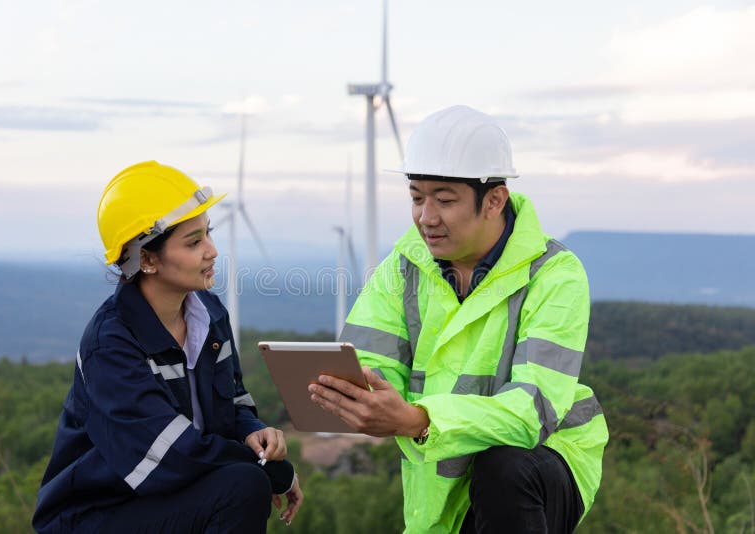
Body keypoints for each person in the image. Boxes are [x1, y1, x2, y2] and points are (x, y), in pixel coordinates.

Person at [309, 105, 608, 533]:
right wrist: (360, 398)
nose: (426, 217)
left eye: (445, 200)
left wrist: (420, 420)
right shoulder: (401, 267)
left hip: (542, 467)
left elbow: (532, 411)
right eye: (416, 198)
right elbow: (370, 367)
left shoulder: (555, 273)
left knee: (503, 467)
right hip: (441, 477)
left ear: (494, 200)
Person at [33, 161, 302, 533]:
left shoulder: (210, 314)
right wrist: (273, 470)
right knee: (244, 485)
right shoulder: (110, 344)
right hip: (96, 515)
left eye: (208, 233)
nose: (212, 251)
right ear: (147, 259)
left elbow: (233, 402)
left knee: (243, 483)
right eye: (194, 242)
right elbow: (168, 456)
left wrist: (254, 435)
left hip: (164, 501)